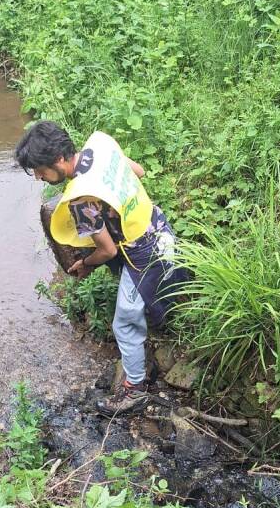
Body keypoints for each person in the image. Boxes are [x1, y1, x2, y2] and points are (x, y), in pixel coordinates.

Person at [15, 120, 186, 414]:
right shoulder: (100, 148)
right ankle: (163, 320)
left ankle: (135, 390)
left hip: (143, 255)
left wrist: (85, 265)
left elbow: (107, 250)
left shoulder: (80, 199)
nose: (40, 178)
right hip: (159, 228)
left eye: (41, 171)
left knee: (124, 322)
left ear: (58, 159)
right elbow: (139, 171)